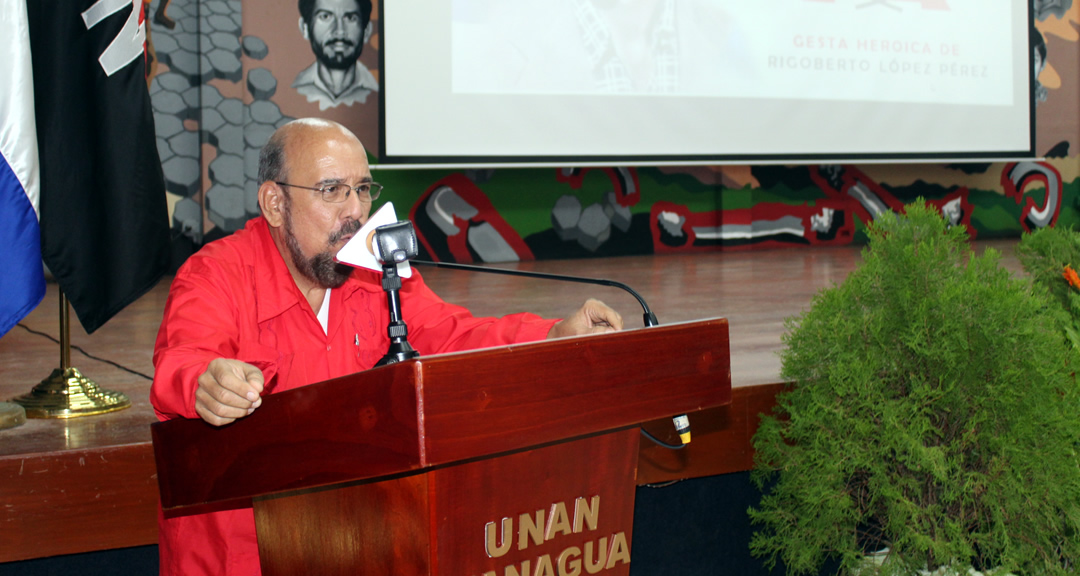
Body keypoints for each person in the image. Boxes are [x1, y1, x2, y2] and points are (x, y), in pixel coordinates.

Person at [149, 118, 623, 575]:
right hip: (245, 556)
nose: (354, 211)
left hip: (354, 542)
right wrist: (206, 384)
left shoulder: (377, 271)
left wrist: (554, 334)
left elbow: (453, 335)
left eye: (362, 189)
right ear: (275, 203)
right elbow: (184, 362)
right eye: (331, 190)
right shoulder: (216, 274)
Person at [292, 0, 378, 110]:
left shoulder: (382, 90)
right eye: (325, 16)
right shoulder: (291, 90)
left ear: (367, 31)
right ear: (305, 28)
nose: (339, 31)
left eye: (351, 18)